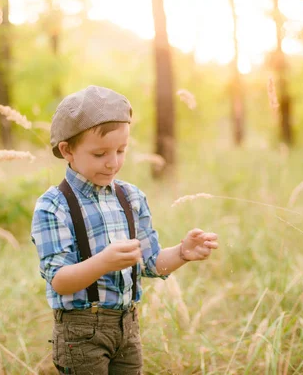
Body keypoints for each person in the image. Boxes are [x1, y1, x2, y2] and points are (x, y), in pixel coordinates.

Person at [31, 85, 219, 374]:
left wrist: (182, 253)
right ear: (67, 150)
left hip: (128, 327)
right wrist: (103, 262)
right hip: (81, 334)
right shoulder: (54, 206)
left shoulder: (131, 197)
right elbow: (59, 280)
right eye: (99, 153)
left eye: (121, 150)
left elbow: (152, 263)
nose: (113, 162)